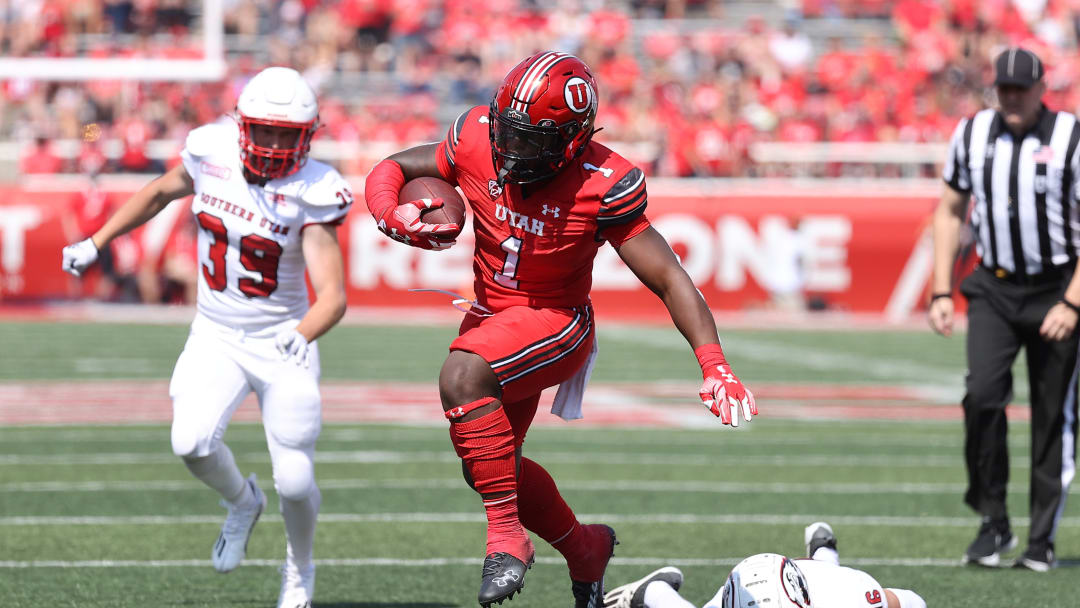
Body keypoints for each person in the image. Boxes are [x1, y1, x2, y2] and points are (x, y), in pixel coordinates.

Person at [364, 51, 756, 608]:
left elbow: (668, 275)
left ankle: (506, 540)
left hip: (556, 322)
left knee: (462, 375)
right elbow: (395, 168)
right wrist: (390, 212)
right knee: (494, 467)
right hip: (493, 316)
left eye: (530, 141)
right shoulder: (478, 136)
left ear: (572, 140)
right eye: (508, 132)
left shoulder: (604, 180)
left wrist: (714, 363)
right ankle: (585, 548)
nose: (510, 149)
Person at [61, 66, 351, 608]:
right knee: (190, 442)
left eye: (286, 134)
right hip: (216, 332)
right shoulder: (210, 152)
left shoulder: (313, 189)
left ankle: (299, 570)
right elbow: (160, 191)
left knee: (294, 477)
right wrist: (97, 240)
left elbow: (332, 296)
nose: (272, 144)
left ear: (307, 137)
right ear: (242, 126)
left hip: (280, 338)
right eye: (264, 130)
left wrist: (302, 332)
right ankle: (242, 502)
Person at [929, 47, 1080, 572]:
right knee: (983, 397)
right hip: (993, 286)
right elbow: (948, 210)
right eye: (1005, 88)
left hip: (1056, 286)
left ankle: (1041, 539)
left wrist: (1072, 301)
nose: (1013, 97)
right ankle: (993, 521)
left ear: (1042, 87)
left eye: (1023, 88)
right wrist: (941, 290)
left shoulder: (1071, 138)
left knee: (1052, 415)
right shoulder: (972, 134)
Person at [602, 522, 926, 608]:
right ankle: (653, 591)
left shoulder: (854, 596)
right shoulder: (732, 598)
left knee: (826, 566)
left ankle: (823, 550)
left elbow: (914, 601)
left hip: (824, 581)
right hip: (750, 577)